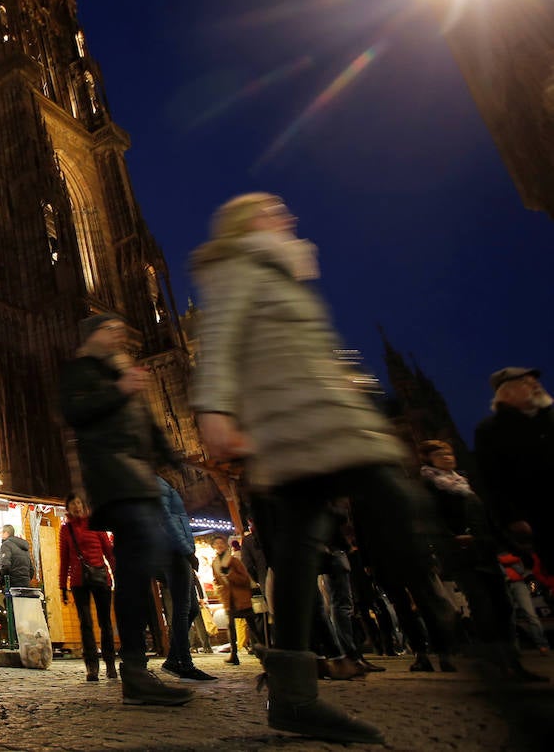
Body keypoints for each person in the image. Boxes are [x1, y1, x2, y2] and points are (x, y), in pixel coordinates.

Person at [191, 192, 456, 743]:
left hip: (320, 429)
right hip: (301, 431)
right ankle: (467, 642)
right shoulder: (246, 268)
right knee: (384, 519)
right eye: (272, 209)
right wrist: (214, 407)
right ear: (249, 224)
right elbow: (219, 342)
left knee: (297, 560)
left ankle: (295, 693)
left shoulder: (280, 269)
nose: (285, 215)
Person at [59, 313, 195, 707]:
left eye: (121, 329)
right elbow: (76, 413)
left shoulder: (119, 372)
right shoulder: (82, 372)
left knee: (141, 564)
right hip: (112, 478)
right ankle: (135, 669)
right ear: (92, 336)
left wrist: (172, 455)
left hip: (136, 478)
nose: (119, 335)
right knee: (137, 567)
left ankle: (138, 665)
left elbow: (145, 422)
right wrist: (120, 388)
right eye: (111, 330)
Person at [419, 440, 546, 681]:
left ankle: (513, 662)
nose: (447, 456)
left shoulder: (464, 484)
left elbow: (489, 522)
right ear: (428, 459)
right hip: (463, 558)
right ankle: (498, 665)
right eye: (439, 453)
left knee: (504, 608)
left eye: (448, 452)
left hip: (486, 553)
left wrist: (516, 548)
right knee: (483, 609)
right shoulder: (431, 487)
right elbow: (430, 522)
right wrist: (452, 539)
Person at [475, 368, 554, 565]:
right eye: (526, 382)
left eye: (535, 381)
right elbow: (492, 481)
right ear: (507, 392)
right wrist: (512, 518)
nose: (536, 385)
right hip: (542, 516)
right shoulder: (490, 430)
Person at [155, 479, 213, 681]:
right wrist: (187, 551)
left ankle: (173, 659)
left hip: (178, 550)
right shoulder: (156, 484)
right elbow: (167, 521)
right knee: (182, 609)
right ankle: (185, 664)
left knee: (192, 609)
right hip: (174, 552)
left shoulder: (162, 484)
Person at [59, 493, 118, 681]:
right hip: (78, 581)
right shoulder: (66, 529)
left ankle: (110, 663)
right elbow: (64, 559)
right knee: (86, 624)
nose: (76, 507)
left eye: (78, 503)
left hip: (101, 577)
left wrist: (116, 573)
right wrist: (62, 586)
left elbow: (109, 552)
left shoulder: (96, 524)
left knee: (105, 622)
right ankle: (91, 666)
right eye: (72, 504)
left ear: (84, 506)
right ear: (68, 508)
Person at [210, 535, 255, 665]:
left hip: (241, 597)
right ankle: (234, 654)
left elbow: (245, 579)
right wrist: (220, 590)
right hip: (228, 599)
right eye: (216, 544)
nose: (219, 546)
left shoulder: (234, 561)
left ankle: (260, 647)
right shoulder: (215, 563)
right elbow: (216, 580)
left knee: (251, 625)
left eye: (221, 543)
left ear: (226, 545)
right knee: (231, 626)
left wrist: (230, 575)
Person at [0, 524, 33, 589]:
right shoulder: (24, 546)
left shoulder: (6, 545)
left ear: (6, 533)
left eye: (1, 533)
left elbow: (5, 565)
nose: (0, 535)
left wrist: (0, 582)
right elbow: (31, 569)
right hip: (26, 583)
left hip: (13, 584)